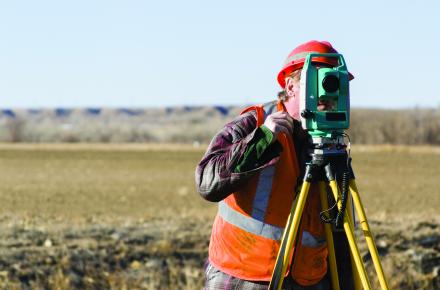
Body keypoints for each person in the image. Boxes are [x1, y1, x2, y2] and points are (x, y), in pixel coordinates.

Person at [195, 40, 354, 290]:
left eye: (335, 82)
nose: (328, 92)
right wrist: (261, 141)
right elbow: (207, 182)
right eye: (320, 81)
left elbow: (340, 228)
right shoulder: (255, 122)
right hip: (244, 276)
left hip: (308, 278)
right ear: (290, 86)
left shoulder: (331, 142)